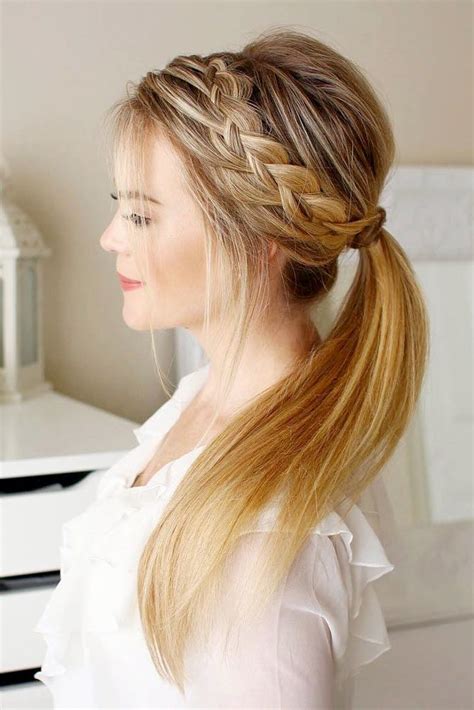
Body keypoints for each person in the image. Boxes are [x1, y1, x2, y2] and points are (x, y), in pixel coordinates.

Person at [34, 27, 429, 709]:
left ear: (260, 239)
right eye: (118, 207)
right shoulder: (203, 402)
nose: (110, 237)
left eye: (141, 216)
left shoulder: (267, 534)